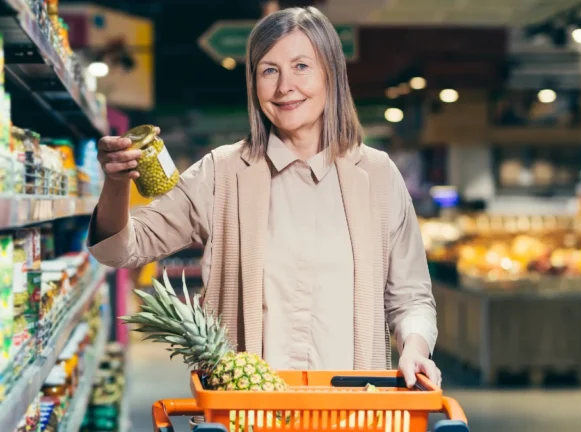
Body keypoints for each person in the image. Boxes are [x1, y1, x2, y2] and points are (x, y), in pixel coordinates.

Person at [87, 6, 440, 388]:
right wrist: (117, 182)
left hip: (352, 410)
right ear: (254, 84)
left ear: (331, 75)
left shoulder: (377, 176)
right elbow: (117, 249)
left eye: (301, 66)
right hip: (246, 412)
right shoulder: (221, 174)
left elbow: (411, 299)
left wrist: (415, 347)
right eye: (269, 70)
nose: (285, 85)